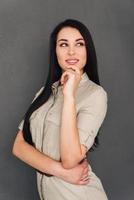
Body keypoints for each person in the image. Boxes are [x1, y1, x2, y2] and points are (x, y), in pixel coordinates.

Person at [12, 19, 108, 200]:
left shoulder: (95, 95)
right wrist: (60, 172)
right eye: (63, 44)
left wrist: (70, 95)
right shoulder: (45, 92)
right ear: (55, 51)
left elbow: (70, 159)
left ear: (88, 50)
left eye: (79, 44)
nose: (71, 51)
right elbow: (18, 147)